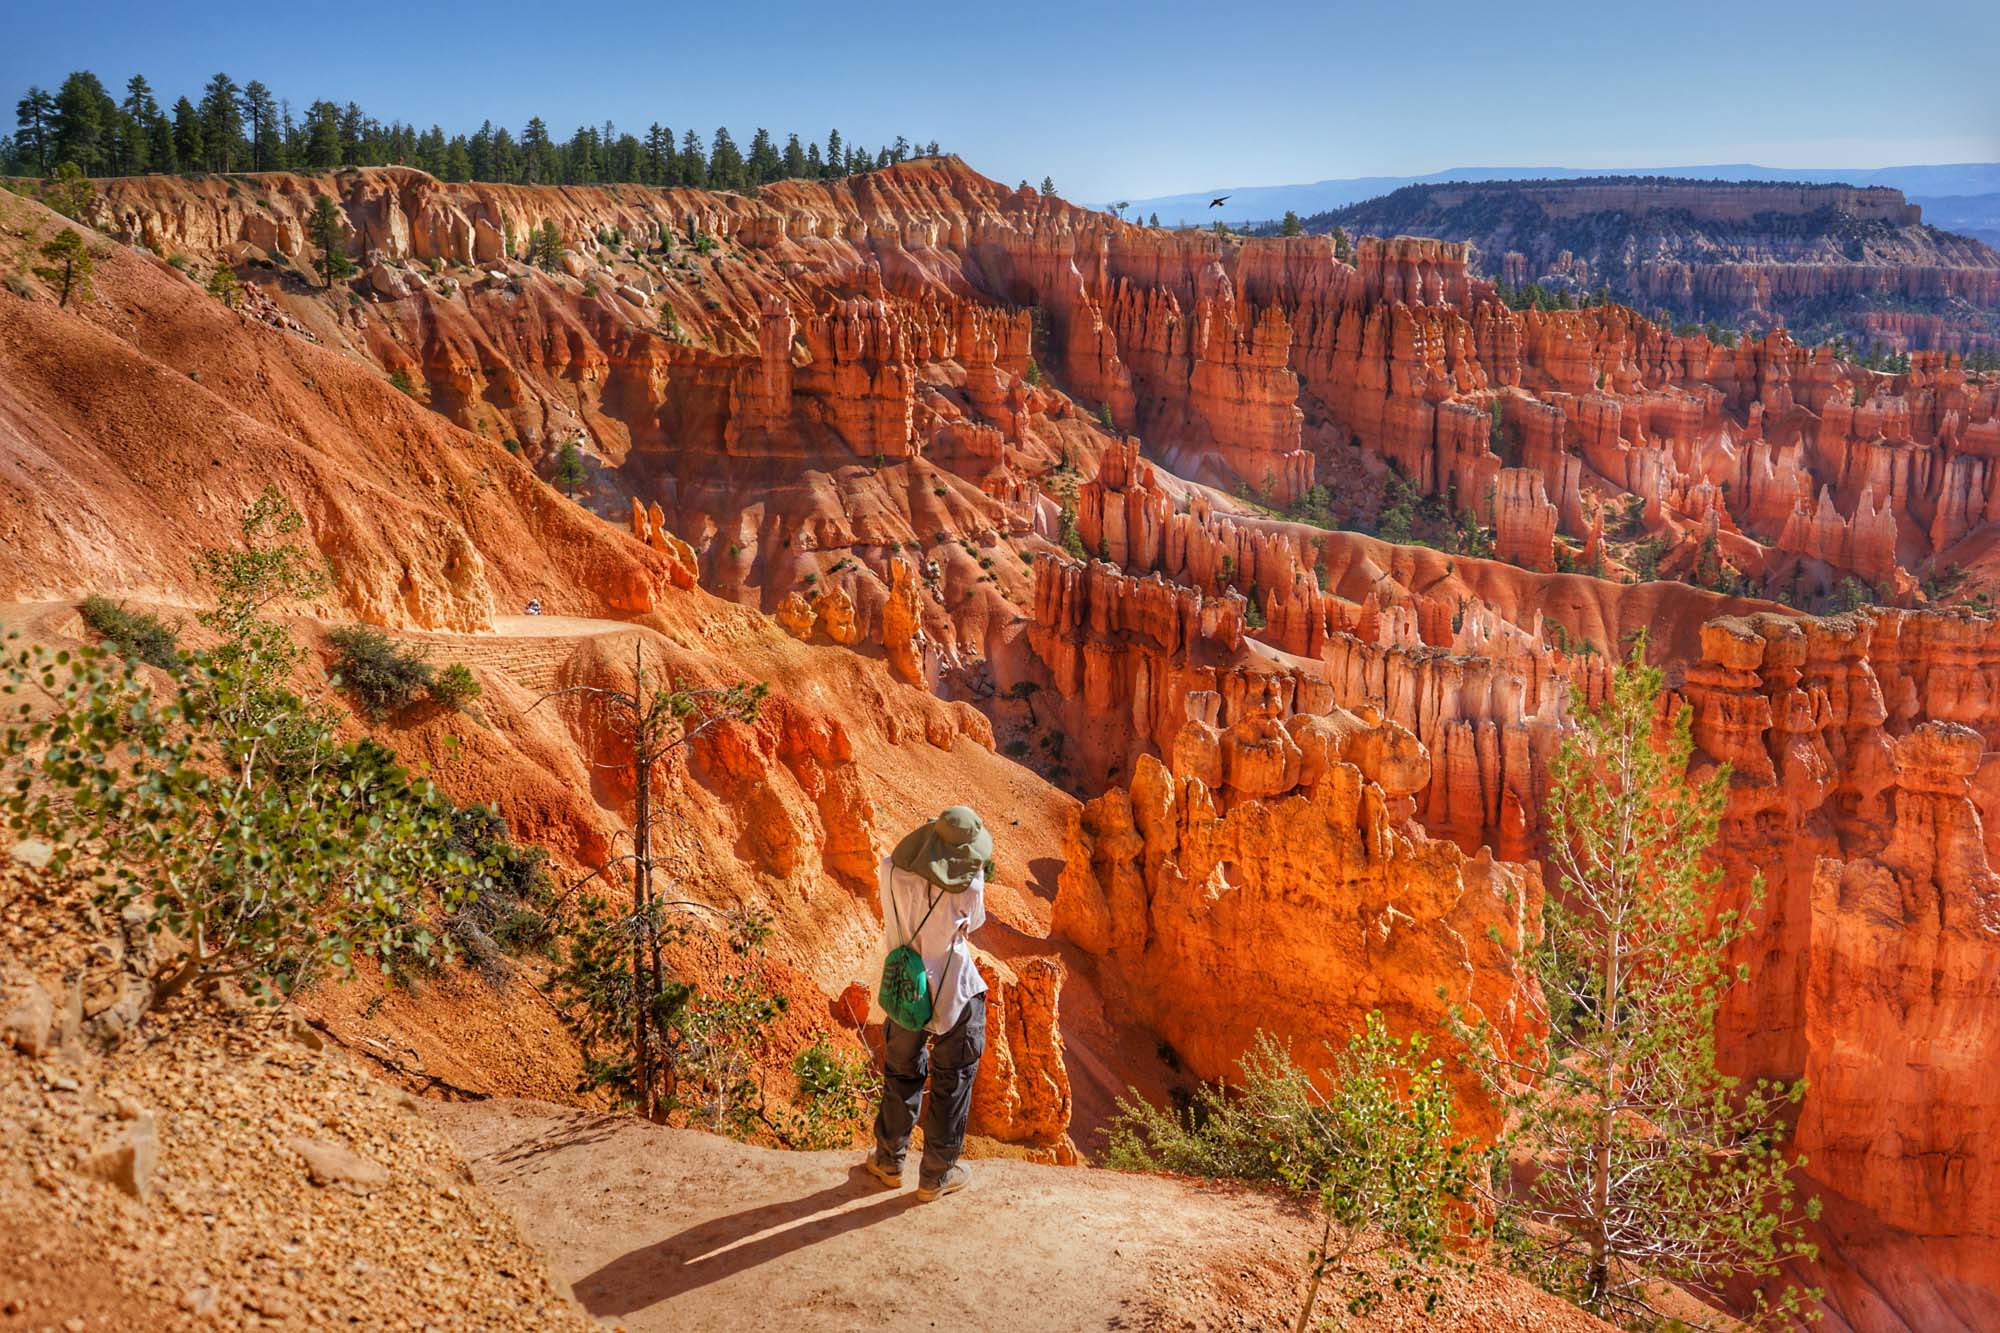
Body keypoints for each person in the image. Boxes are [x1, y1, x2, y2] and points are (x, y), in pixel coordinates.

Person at [864, 806, 990, 1201]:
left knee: (901, 1073)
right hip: (953, 990)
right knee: (953, 1079)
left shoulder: (889, 870)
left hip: (906, 988)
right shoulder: (969, 885)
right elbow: (975, 923)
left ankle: (888, 1160)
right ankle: (936, 1175)